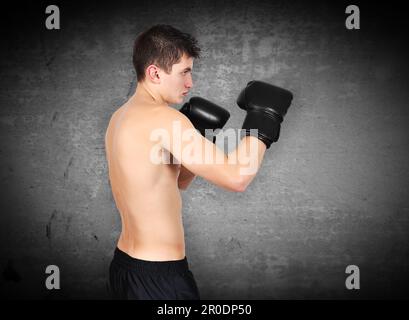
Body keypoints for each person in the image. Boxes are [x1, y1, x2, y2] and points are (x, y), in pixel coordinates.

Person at [105, 24, 293, 300]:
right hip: (160, 278)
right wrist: (265, 116)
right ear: (154, 73)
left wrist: (199, 134)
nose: (190, 83)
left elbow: (175, 182)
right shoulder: (165, 120)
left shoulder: (120, 117)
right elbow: (237, 178)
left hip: (126, 267)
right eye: (184, 72)